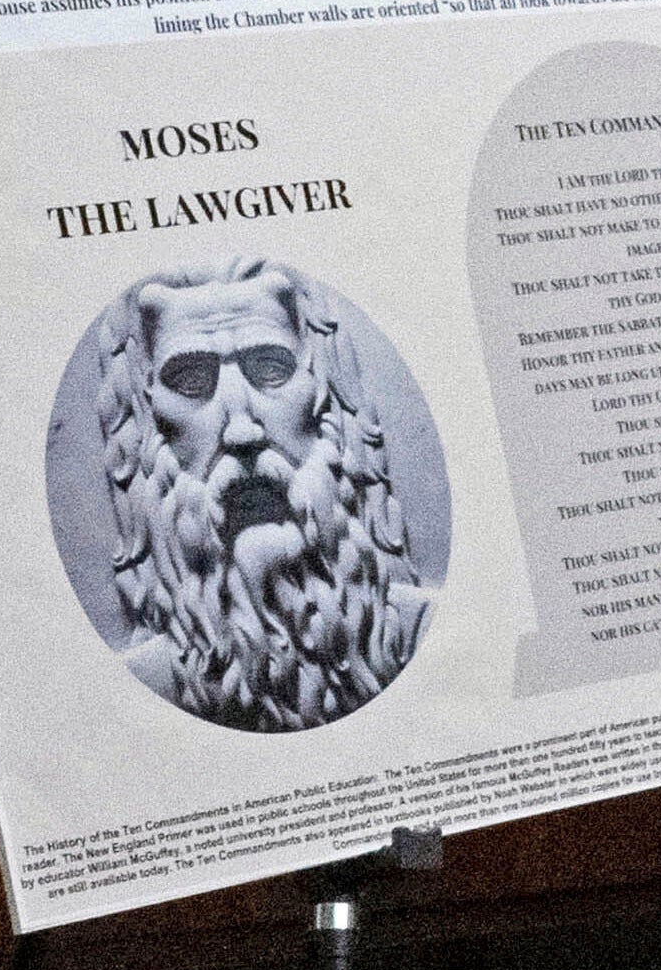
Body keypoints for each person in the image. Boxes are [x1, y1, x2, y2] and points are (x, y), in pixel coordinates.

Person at [76, 262, 433, 731]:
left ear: (322, 395)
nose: (241, 429)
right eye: (189, 381)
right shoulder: (138, 691)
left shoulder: (430, 630)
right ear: (148, 419)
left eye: (270, 368)